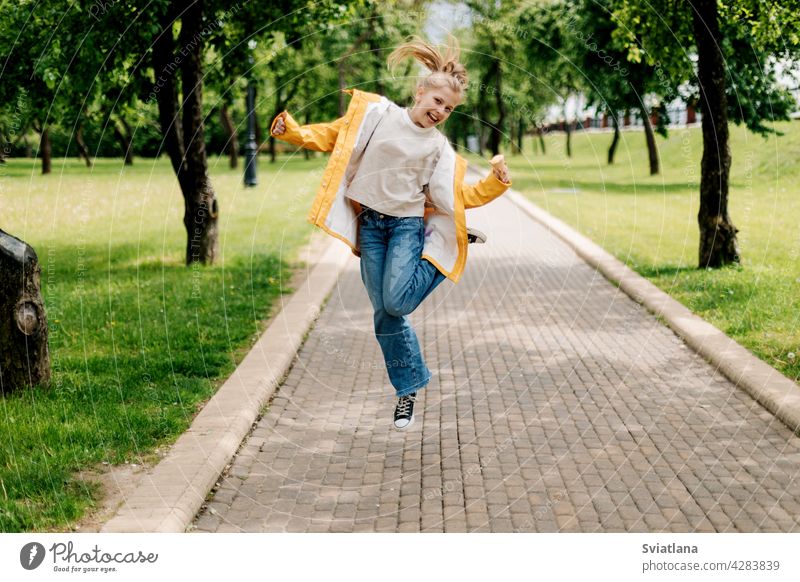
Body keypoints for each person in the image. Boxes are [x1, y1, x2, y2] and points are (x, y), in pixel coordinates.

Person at [270, 35, 511, 430]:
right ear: (420, 92)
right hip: (372, 226)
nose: (441, 111)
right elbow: (335, 137)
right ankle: (407, 390)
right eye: (437, 102)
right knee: (384, 314)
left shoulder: (438, 148)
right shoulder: (378, 115)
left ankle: (439, 257)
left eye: (449, 109)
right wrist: (293, 132)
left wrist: (496, 184)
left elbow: (456, 194)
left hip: (405, 227)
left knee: (396, 303)